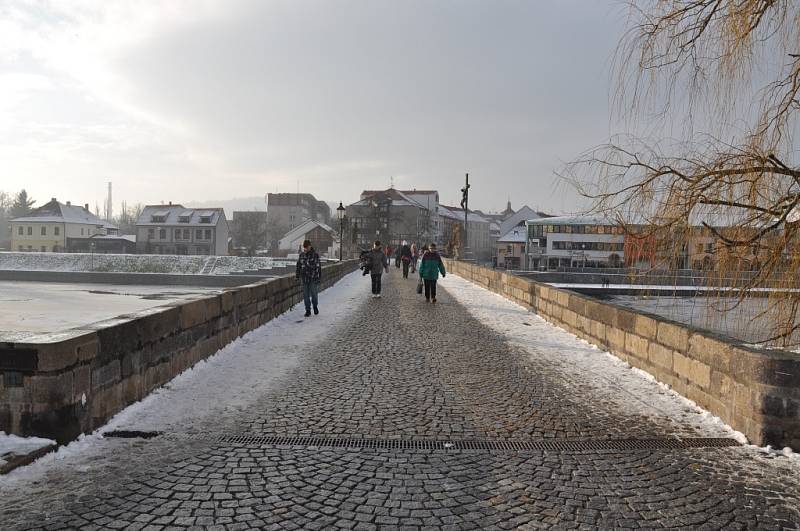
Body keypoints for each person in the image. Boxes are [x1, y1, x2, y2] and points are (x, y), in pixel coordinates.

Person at [295, 239, 322, 317]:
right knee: (305, 295)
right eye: (304, 247)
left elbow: (318, 267)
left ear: (310, 246)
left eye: (306, 247)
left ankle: (315, 306)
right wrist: (297, 276)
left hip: (313, 278)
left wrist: (319, 277)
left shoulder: (315, 255)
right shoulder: (302, 255)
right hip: (304, 279)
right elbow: (298, 266)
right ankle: (308, 310)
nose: (305, 249)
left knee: (314, 294)